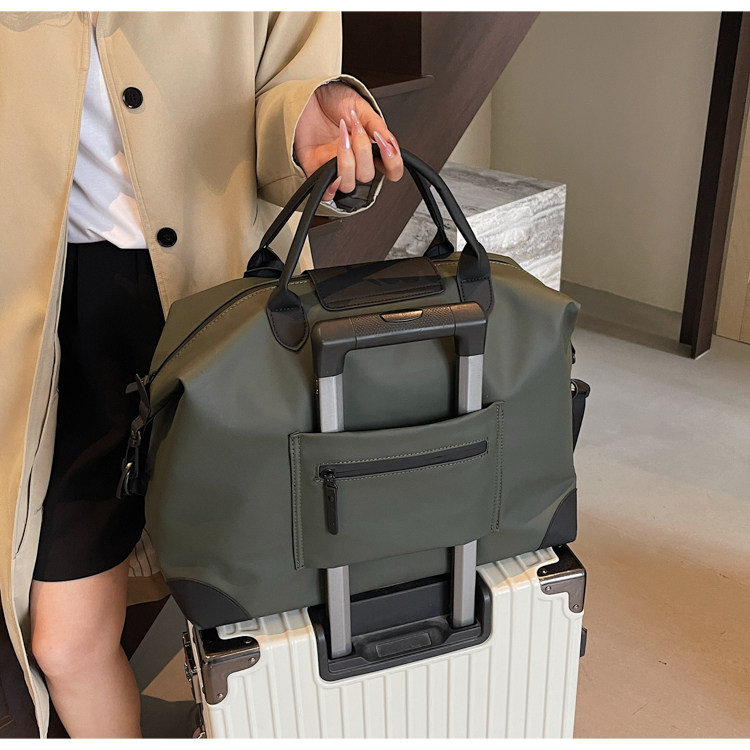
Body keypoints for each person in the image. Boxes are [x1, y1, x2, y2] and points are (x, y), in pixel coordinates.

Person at [0, 11, 403, 738]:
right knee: (63, 641)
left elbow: (293, 80)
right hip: (60, 316)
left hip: (225, 295)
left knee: (272, 611)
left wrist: (309, 124)